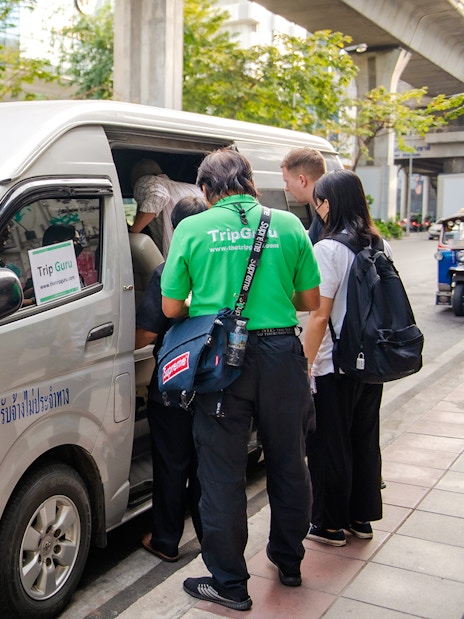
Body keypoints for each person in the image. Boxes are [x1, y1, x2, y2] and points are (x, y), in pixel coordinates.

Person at [161, 148, 321, 611]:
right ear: (250, 183)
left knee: (221, 474)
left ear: (207, 191)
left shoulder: (192, 227)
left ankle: (230, 583)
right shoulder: (289, 225)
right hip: (280, 353)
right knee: (289, 461)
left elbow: (171, 308)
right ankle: (288, 562)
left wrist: (214, 298)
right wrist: (269, 288)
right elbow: (310, 300)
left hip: (220, 361)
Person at [303, 169, 389, 547]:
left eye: (318, 200)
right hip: (371, 361)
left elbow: (320, 314)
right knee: (364, 440)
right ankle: (361, 518)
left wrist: (306, 365)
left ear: (329, 203)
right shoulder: (380, 243)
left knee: (329, 444)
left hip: (334, 364)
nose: (316, 208)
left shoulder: (328, 248)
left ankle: (329, 523)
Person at [135, 195, 208, 562]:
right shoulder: (222, 265)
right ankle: (210, 539)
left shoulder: (169, 269)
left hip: (174, 382)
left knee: (170, 462)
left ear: (175, 227)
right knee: (204, 464)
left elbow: (147, 333)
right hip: (213, 380)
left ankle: (166, 540)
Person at [129, 158, 203, 257]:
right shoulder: (195, 189)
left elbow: (159, 195)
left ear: (134, 183)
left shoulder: (145, 181)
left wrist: (133, 232)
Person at [281, 147, 327, 244]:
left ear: (302, 180)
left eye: (287, 182)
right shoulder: (327, 215)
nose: (286, 188)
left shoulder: (326, 220)